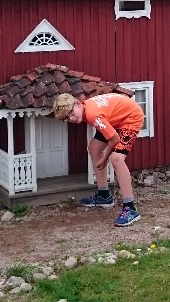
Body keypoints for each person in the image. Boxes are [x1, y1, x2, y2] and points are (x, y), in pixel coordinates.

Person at [53, 92, 144, 227]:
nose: (71, 118)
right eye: (67, 118)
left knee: (116, 158)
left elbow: (114, 139)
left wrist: (104, 159)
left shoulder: (92, 114)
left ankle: (130, 207)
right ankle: (104, 195)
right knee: (94, 149)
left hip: (130, 117)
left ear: (78, 103)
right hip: (114, 119)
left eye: (71, 113)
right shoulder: (86, 110)